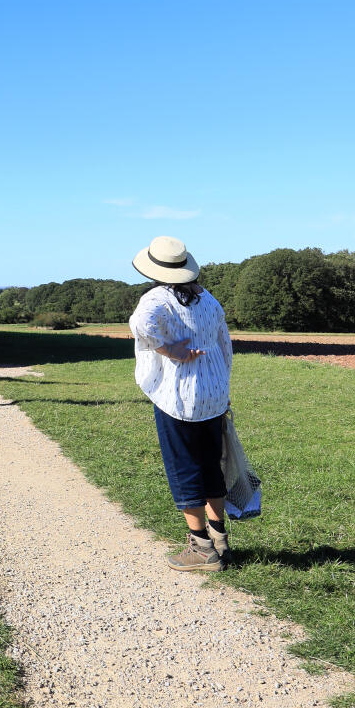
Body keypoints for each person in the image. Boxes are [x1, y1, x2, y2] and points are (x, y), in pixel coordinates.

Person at [128, 235, 234, 572]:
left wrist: (168, 350)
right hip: (212, 393)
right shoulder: (207, 299)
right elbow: (224, 344)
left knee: (185, 466)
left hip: (179, 396)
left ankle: (201, 549)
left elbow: (139, 325)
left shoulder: (157, 298)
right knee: (210, 464)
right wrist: (222, 384)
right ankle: (219, 539)